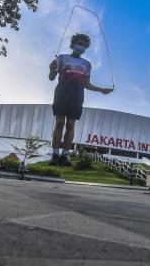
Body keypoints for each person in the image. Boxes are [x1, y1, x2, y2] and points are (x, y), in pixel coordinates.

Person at [48, 33, 113, 166]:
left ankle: (65, 156)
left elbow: (86, 84)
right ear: (73, 44)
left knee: (71, 124)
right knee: (59, 122)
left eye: (84, 45)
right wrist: (51, 70)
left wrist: (101, 89)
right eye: (79, 43)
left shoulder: (87, 64)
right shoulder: (61, 58)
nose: (81, 47)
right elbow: (51, 77)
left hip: (77, 96)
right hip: (61, 93)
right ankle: (55, 155)